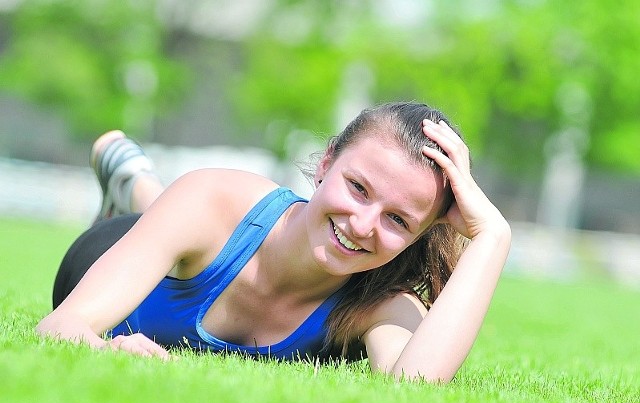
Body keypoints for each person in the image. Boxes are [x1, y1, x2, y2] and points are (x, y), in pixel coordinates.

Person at [36, 102, 511, 382]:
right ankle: (136, 184)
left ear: (419, 237)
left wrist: (493, 236)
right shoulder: (212, 197)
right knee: (171, 209)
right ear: (325, 163)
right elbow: (61, 326)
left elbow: (416, 387)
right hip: (109, 249)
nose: (363, 225)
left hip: (193, 236)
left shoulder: (381, 303)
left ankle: (139, 183)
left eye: (398, 220)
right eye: (358, 188)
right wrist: (105, 351)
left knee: (177, 213)